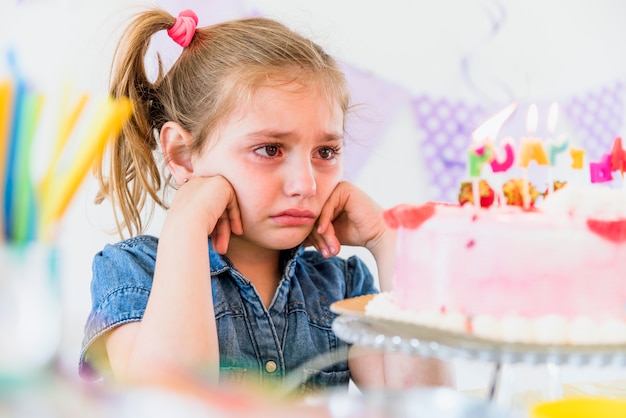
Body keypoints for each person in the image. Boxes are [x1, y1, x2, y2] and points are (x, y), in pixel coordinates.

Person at [79, 7, 452, 396]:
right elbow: (172, 398)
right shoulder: (131, 274)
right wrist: (186, 223)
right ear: (183, 154)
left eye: (325, 152)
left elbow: (422, 401)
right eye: (270, 149)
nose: (306, 184)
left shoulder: (342, 285)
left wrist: (389, 239)